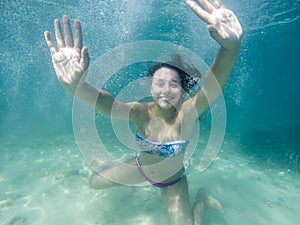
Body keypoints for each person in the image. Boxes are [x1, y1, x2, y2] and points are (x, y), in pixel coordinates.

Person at [44, 0, 242, 224]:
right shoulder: (141, 112)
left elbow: (211, 88)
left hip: (172, 183)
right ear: (150, 87)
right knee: (93, 182)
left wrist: (231, 48)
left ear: (182, 91)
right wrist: (76, 87)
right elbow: (108, 104)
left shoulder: (186, 114)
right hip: (140, 170)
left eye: (173, 84)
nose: (165, 90)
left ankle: (202, 198)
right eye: (159, 83)